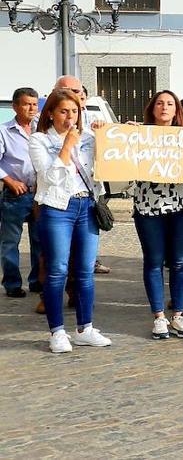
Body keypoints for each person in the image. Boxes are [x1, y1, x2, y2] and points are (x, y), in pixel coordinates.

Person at [29, 88, 110, 353]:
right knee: (58, 270)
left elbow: (113, 157)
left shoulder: (88, 137)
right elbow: (50, 176)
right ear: (51, 113)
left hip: (86, 205)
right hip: (56, 208)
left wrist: (110, 134)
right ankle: (57, 332)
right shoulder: (39, 140)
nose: (70, 117)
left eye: (75, 111)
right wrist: (67, 145)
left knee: (85, 271)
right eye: (64, 111)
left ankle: (85, 328)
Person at [126, 90, 183, 341]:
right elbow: (117, 154)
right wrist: (120, 133)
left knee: (181, 262)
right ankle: (159, 317)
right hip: (149, 206)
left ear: (177, 109)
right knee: (154, 261)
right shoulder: (138, 134)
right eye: (160, 103)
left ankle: (178, 314)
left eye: (170, 103)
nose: (165, 107)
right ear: (152, 108)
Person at [1, 87, 41, 299]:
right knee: (10, 241)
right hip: (15, 194)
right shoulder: (4, 131)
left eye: (34, 104)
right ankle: (12, 283)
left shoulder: (42, 128)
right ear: (15, 106)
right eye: (27, 104)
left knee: (39, 240)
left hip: (40, 193)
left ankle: (37, 281)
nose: (31, 108)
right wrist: (9, 180)